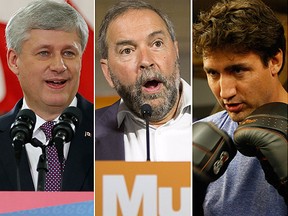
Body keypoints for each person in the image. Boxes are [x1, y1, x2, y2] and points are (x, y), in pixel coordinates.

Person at [193, 0, 287, 215]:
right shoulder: (200, 138)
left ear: (275, 61)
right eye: (213, 73)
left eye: (238, 70)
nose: (225, 92)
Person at [0, 0, 93, 191]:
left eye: (69, 53)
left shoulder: (110, 130)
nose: (59, 66)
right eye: (44, 53)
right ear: (14, 61)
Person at [95, 0, 191, 161]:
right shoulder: (86, 134)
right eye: (127, 51)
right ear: (108, 72)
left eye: (157, 43)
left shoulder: (217, 123)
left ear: (176, 51)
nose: (146, 61)